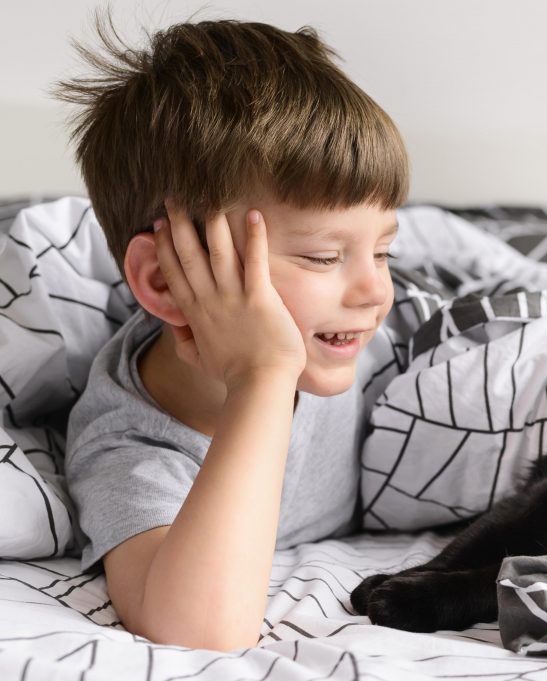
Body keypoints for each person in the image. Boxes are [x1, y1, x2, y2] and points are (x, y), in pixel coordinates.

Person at [57, 18, 408, 651]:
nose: (374, 290)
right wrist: (261, 377)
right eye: (323, 258)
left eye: (385, 252)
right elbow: (202, 632)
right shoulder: (132, 448)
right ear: (165, 280)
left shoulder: (345, 319)